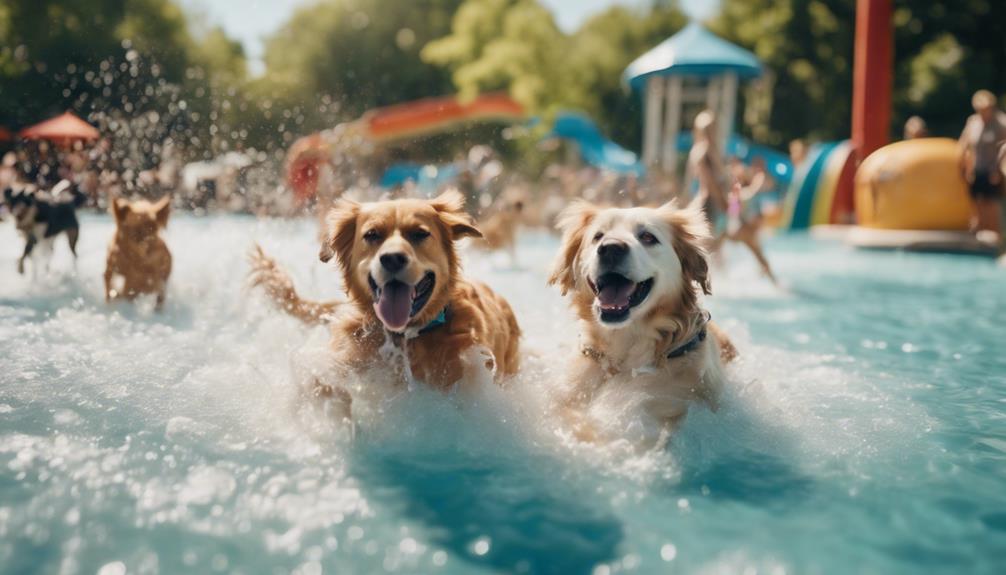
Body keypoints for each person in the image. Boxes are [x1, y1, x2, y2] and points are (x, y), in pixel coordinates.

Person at [687, 110, 777, 284]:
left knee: (721, 252)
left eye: (714, 128)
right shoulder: (703, 152)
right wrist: (730, 209)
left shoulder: (714, 153)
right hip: (709, 210)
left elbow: (725, 187)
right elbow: (711, 186)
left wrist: (733, 206)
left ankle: (772, 281)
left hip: (720, 208)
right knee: (710, 254)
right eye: (709, 129)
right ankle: (773, 281)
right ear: (702, 131)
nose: (713, 132)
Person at [958, 90, 1006, 237]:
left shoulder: (1001, 123)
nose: (983, 112)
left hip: (994, 171)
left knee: (991, 205)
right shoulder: (973, 122)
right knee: (976, 205)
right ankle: (979, 241)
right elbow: (964, 145)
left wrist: (999, 171)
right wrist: (964, 168)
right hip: (977, 169)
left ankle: (998, 239)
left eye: (986, 109)